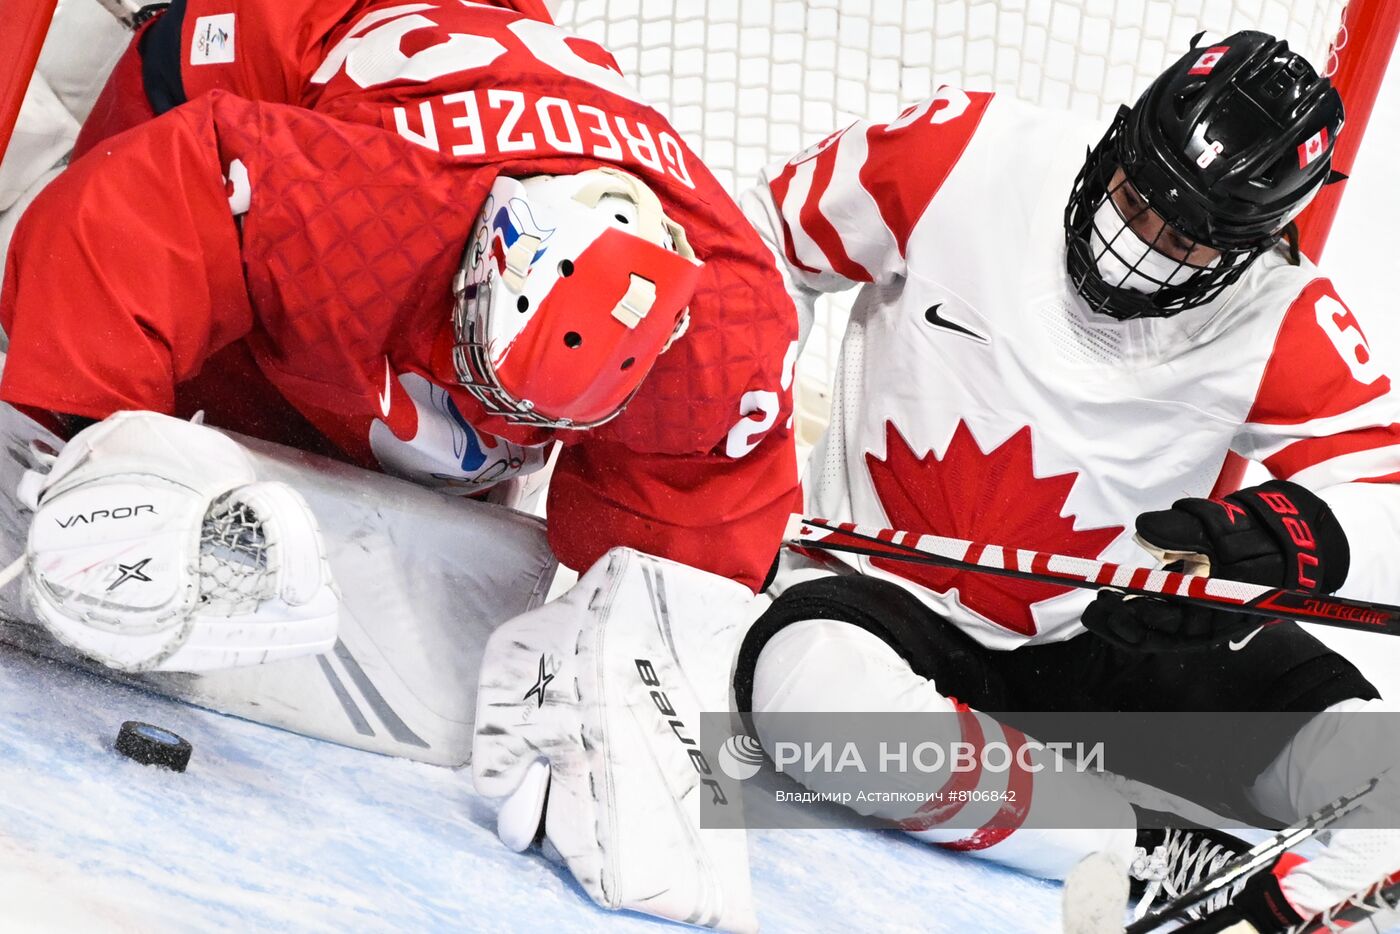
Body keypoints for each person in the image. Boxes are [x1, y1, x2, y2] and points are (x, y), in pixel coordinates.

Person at [0, 1, 796, 928]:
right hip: (270, 34)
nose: (488, 427)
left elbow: (690, 556)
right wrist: (85, 437)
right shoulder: (364, 204)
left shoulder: (722, 336)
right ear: (491, 256)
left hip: (461, 107)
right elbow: (140, 199)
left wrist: (650, 672)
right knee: (73, 283)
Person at [737, 29, 1400, 931]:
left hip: (1111, 627)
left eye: (1192, 242)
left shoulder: (1282, 312)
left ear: (1258, 246)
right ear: (1123, 135)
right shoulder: (962, 151)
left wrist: (1278, 538)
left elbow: (1386, 494)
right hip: (884, 600)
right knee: (808, 703)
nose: (1142, 247)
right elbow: (754, 247)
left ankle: (1317, 894)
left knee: (1385, 765)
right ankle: (1160, 849)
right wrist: (743, 452)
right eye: (1138, 198)